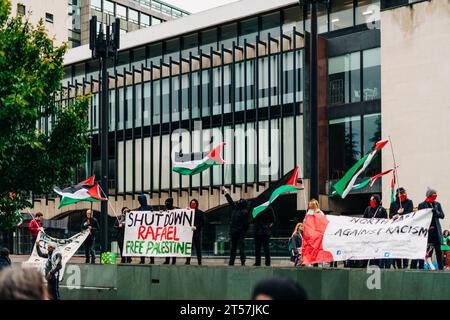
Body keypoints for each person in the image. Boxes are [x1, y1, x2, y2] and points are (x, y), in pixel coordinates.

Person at [414, 188, 445, 270]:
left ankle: (441, 268)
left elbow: (442, 215)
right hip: (426, 232)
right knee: (423, 251)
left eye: (436, 195)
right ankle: (421, 268)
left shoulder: (437, 204)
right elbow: (419, 217)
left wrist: (436, 212)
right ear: (429, 195)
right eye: (433, 195)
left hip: (435, 231)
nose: (435, 197)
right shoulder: (421, 205)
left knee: (438, 251)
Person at [223, 187, 250, 266]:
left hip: (238, 232)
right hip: (235, 232)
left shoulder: (243, 212)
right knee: (234, 248)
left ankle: (241, 261)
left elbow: (246, 224)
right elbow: (230, 201)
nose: (238, 202)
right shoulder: (237, 209)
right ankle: (233, 262)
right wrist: (226, 193)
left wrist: (243, 231)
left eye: (239, 201)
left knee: (239, 248)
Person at [390, 187, 414, 269]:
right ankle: (399, 265)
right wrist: (397, 213)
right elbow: (390, 215)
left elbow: (410, 213)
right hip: (396, 229)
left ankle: (406, 265)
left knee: (405, 247)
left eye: (404, 193)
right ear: (397, 195)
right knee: (398, 248)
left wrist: (402, 213)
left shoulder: (409, 202)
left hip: (406, 228)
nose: (403, 195)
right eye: (401, 193)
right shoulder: (393, 204)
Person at [362, 195, 388, 268]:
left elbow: (385, 222)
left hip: (378, 236)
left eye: (372, 200)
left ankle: (376, 266)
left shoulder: (382, 210)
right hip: (369, 236)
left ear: (376, 201)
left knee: (376, 254)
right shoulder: (368, 209)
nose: (371, 201)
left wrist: (377, 221)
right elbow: (363, 220)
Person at [135, 194, 155, 264]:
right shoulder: (139, 209)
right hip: (142, 231)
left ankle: (152, 259)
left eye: (140, 200)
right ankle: (142, 259)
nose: (140, 202)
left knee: (150, 245)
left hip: (149, 231)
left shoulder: (150, 207)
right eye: (139, 200)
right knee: (142, 245)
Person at [306, 199, 325, 267]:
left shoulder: (320, 212)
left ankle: (318, 263)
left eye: (311, 204)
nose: (309, 205)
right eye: (309, 204)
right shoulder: (309, 212)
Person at [186, 199, 204, 265]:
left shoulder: (200, 213)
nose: (192, 205)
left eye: (194, 203)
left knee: (198, 248)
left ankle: (199, 261)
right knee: (189, 248)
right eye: (191, 203)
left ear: (196, 204)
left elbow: (202, 222)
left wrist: (196, 227)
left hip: (197, 233)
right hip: (189, 233)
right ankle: (188, 261)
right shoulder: (188, 212)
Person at [163, 197, 177, 265]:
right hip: (167, 232)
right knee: (167, 246)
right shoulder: (165, 211)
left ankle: (174, 260)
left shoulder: (176, 211)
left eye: (167, 203)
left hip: (174, 232)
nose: (166, 204)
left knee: (173, 246)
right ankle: (167, 260)